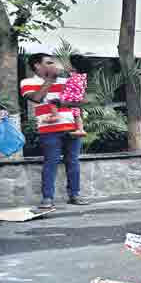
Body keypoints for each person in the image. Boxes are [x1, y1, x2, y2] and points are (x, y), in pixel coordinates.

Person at [21, 53, 88, 210]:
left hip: (72, 127)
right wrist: (50, 79)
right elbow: (37, 98)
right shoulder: (28, 82)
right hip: (48, 130)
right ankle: (47, 198)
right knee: (51, 162)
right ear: (37, 65)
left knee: (73, 162)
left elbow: (82, 100)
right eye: (49, 62)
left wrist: (65, 104)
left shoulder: (67, 80)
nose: (54, 64)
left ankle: (75, 194)